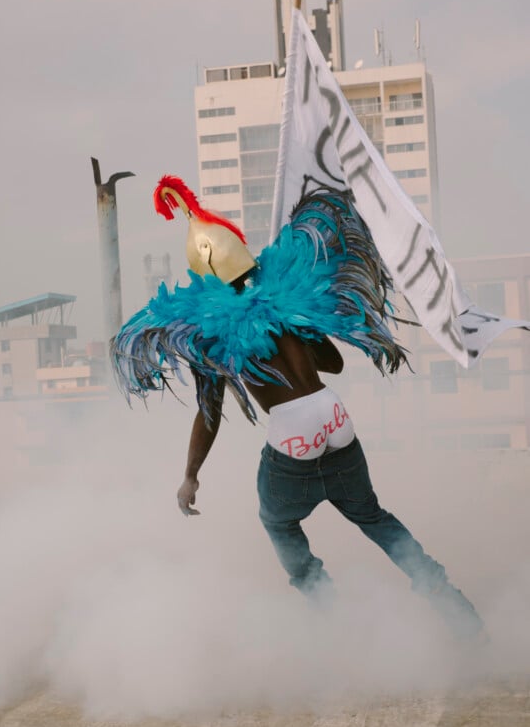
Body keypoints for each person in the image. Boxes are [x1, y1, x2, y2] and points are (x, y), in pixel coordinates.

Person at [112, 175, 484, 640]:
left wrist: (191, 475)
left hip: (293, 432)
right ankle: (451, 605)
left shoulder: (211, 332)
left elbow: (209, 415)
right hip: (334, 416)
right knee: (374, 518)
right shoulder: (287, 304)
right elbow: (335, 363)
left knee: (279, 522)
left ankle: (337, 620)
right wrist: (300, 333)